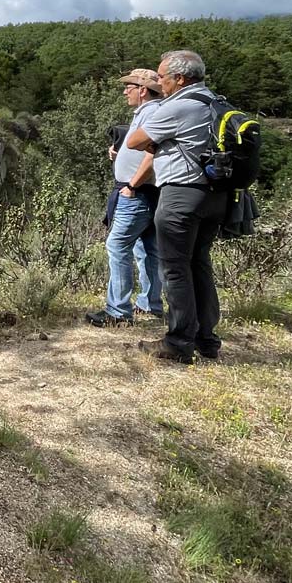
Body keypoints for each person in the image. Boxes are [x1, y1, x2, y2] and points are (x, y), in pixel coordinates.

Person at [124, 50, 227, 364]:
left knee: (175, 268)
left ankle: (179, 342)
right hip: (214, 195)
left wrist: (158, 142)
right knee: (199, 265)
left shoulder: (179, 106)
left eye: (163, 77)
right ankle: (206, 340)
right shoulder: (215, 102)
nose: (160, 83)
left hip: (182, 193)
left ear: (180, 78)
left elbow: (134, 141)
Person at [88, 69, 164, 328]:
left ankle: (118, 312)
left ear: (142, 90)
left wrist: (131, 185)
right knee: (148, 250)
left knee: (117, 246)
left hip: (138, 193)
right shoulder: (148, 112)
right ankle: (150, 305)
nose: (124, 91)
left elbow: (152, 156)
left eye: (129, 87)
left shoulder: (152, 113)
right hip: (150, 193)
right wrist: (119, 154)